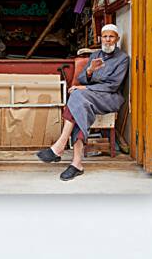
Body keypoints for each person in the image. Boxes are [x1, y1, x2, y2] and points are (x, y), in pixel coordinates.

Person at [36, 24, 129, 180]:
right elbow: (81, 79)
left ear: (117, 39)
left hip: (109, 97)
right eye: (105, 37)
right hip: (88, 98)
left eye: (111, 37)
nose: (107, 40)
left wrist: (85, 89)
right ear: (101, 39)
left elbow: (113, 86)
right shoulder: (94, 56)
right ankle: (76, 163)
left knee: (77, 96)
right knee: (79, 103)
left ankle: (60, 146)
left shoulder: (122, 59)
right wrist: (89, 71)